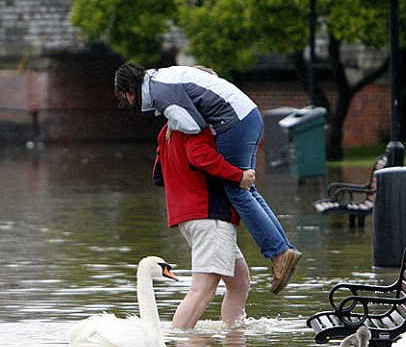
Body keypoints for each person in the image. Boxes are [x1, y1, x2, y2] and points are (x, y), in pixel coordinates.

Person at [115, 63, 301, 294]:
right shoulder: (162, 79)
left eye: (126, 98)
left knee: (236, 189)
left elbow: (194, 127)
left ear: (129, 90)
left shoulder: (160, 93)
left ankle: (279, 253)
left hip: (234, 122)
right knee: (246, 189)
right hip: (247, 115)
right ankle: (282, 250)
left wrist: (174, 121)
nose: (129, 104)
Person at [153, 121, 253, 329]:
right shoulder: (195, 126)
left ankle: (234, 344)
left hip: (189, 217)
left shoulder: (167, 130)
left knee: (239, 282)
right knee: (203, 290)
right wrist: (239, 176)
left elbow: (158, 175)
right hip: (209, 215)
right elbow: (201, 157)